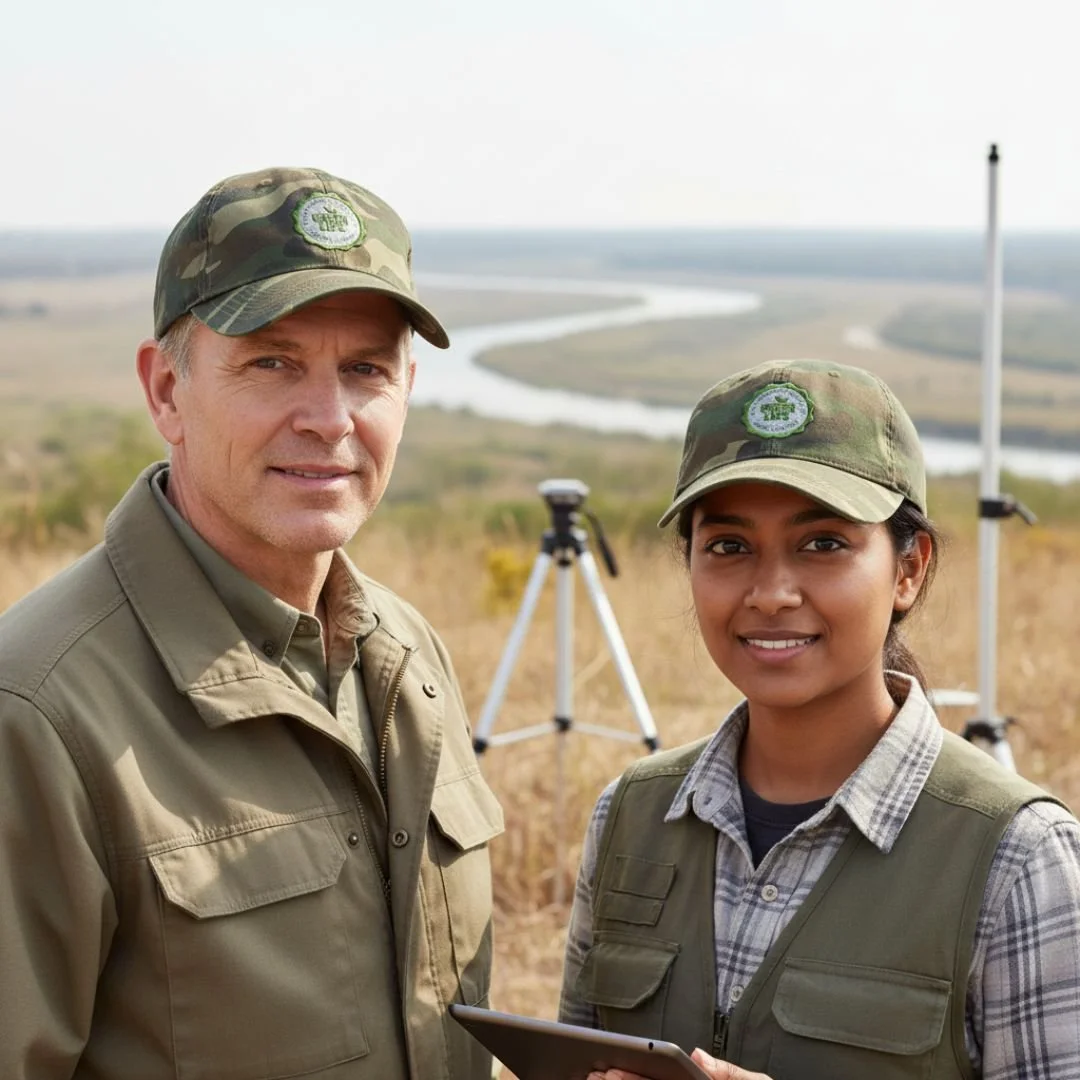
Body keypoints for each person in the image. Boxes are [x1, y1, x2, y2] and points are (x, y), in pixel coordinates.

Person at [0, 167, 504, 1080]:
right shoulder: (37, 709)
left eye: (366, 370)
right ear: (165, 392)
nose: (329, 420)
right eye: (271, 363)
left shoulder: (407, 655)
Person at [559, 359, 1080, 1080]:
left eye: (824, 544)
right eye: (729, 547)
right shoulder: (630, 816)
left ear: (908, 570)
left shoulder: (1016, 860)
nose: (771, 593)